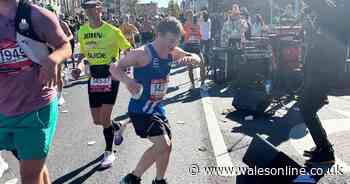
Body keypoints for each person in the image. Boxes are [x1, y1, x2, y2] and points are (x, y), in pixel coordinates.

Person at [110, 16, 201, 184]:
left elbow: (195, 56)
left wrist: (192, 59)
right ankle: (132, 178)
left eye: (175, 42)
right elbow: (114, 67)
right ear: (158, 34)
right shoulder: (142, 54)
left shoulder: (171, 51)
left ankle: (157, 180)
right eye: (170, 41)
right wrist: (128, 81)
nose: (172, 46)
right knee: (163, 145)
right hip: (140, 110)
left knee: (167, 147)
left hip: (158, 109)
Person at [0, 0, 71, 183]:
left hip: (35, 109)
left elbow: (64, 45)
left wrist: (53, 60)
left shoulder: (37, 15)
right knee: (33, 167)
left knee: (30, 175)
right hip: (2, 108)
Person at [77, 0, 131, 169]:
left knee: (105, 117)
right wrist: (78, 68)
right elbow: (83, 55)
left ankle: (109, 153)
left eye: (93, 7)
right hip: (93, 76)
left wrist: (122, 67)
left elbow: (128, 50)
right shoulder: (83, 31)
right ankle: (118, 126)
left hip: (110, 75)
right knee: (97, 120)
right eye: (86, 8)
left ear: (100, 9)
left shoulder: (113, 31)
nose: (89, 11)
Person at [46, 4, 74, 106]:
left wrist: (64, 40)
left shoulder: (62, 24)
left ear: (55, 13)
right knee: (49, 73)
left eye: (51, 12)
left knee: (57, 74)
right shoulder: (43, 24)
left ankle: (60, 95)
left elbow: (70, 35)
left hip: (59, 50)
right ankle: (51, 94)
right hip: (48, 51)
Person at [183, 10, 205, 88]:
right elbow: (184, 38)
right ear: (186, 17)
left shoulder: (196, 25)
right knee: (190, 67)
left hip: (196, 46)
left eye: (191, 16)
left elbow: (200, 36)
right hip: (188, 47)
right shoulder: (184, 26)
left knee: (202, 64)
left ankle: (203, 83)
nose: (190, 17)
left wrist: (195, 33)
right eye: (188, 16)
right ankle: (192, 84)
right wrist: (190, 34)